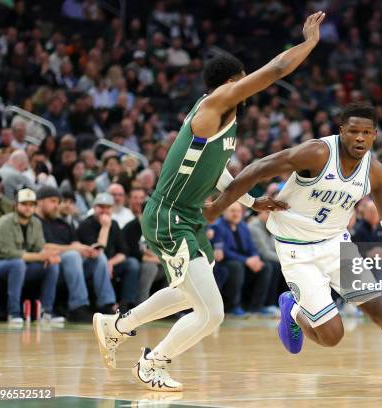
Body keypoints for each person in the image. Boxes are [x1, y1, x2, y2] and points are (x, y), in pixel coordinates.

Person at [92, 11, 325, 391]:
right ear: (231, 84)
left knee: (186, 292)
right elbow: (277, 69)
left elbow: (217, 171)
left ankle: (116, 326)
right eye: (243, 82)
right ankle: (152, 363)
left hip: (185, 217)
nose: (248, 87)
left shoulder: (223, 120)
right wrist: (310, 42)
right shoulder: (214, 105)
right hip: (169, 216)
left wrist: (250, 202)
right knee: (211, 312)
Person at [204, 102, 382, 390]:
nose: (360, 138)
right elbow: (259, 168)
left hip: (337, 245)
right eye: (354, 131)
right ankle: (293, 309)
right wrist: (222, 206)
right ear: (341, 131)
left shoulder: (375, 171)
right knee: (332, 336)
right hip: (296, 249)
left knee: (380, 312)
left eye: (367, 132)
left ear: (375, 136)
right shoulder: (317, 153)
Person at [0, 188, 62, 324]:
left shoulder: (36, 223)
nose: (28, 208)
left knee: (51, 265)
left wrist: (50, 256)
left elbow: (39, 248)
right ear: (15, 205)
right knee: (17, 264)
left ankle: (46, 312)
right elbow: (10, 253)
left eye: (31, 205)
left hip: (20, 266)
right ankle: (14, 313)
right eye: (24, 204)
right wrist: (41, 257)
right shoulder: (4, 222)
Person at [35, 186, 117, 322]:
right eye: (53, 202)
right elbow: (43, 246)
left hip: (71, 267)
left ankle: (106, 304)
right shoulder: (35, 221)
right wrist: (74, 249)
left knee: (99, 257)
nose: (56, 206)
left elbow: (75, 243)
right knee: (73, 255)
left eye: (57, 202)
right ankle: (78, 307)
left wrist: (87, 249)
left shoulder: (62, 222)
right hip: (52, 264)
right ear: (40, 201)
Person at [77, 193, 139, 312]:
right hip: (90, 264)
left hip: (108, 264)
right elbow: (97, 251)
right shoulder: (85, 225)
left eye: (108, 207)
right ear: (94, 207)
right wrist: (105, 227)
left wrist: (110, 263)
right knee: (101, 259)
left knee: (132, 263)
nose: (104, 211)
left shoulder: (114, 224)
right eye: (101, 207)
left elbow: (124, 251)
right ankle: (106, 304)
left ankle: (126, 304)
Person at [212, 202, 274, 315]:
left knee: (265, 266)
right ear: (224, 212)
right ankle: (233, 306)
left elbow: (251, 246)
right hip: (226, 263)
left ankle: (256, 306)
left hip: (244, 261)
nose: (236, 214)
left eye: (238, 211)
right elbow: (224, 251)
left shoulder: (243, 226)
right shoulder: (218, 226)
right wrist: (246, 260)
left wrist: (255, 257)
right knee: (236, 266)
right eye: (232, 211)